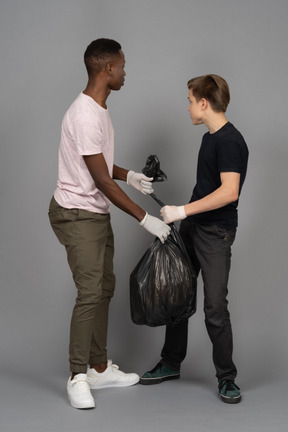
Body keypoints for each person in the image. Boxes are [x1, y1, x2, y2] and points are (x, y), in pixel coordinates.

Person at [48, 38, 171, 410]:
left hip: (95, 212)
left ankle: (99, 367)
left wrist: (129, 174)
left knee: (104, 289)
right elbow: (100, 180)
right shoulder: (84, 114)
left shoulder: (99, 109)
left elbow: (100, 165)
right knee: (90, 292)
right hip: (75, 213)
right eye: (121, 66)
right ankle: (77, 376)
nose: (125, 72)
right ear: (107, 69)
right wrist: (144, 217)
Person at [139, 74, 249, 404]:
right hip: (193, 229)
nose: (187, 107)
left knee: (215, 307)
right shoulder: (208, 138)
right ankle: (171, 362)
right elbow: (206, 188)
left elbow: (229, 192)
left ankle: (227, 378)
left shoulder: (231, 141)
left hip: (216, 234)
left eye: (190, 100)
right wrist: (178, 214)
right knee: (178, 295)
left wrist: (182, 211)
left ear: (204, 103)